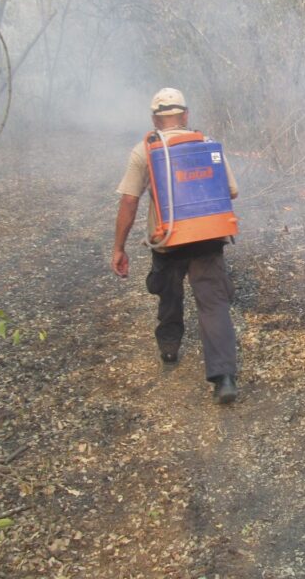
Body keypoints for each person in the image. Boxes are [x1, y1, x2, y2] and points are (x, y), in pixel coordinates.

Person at [111, 88, 240, 404]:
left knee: (169, 292)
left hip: (167, 239)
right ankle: (224, 378)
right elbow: (232, 191)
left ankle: (169, 348)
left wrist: (119, 247)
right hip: (208, 237)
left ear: (155, 119)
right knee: (213, 303)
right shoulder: (207, 145)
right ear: (185, 115)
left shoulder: (145, 150)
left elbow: (129, 200)